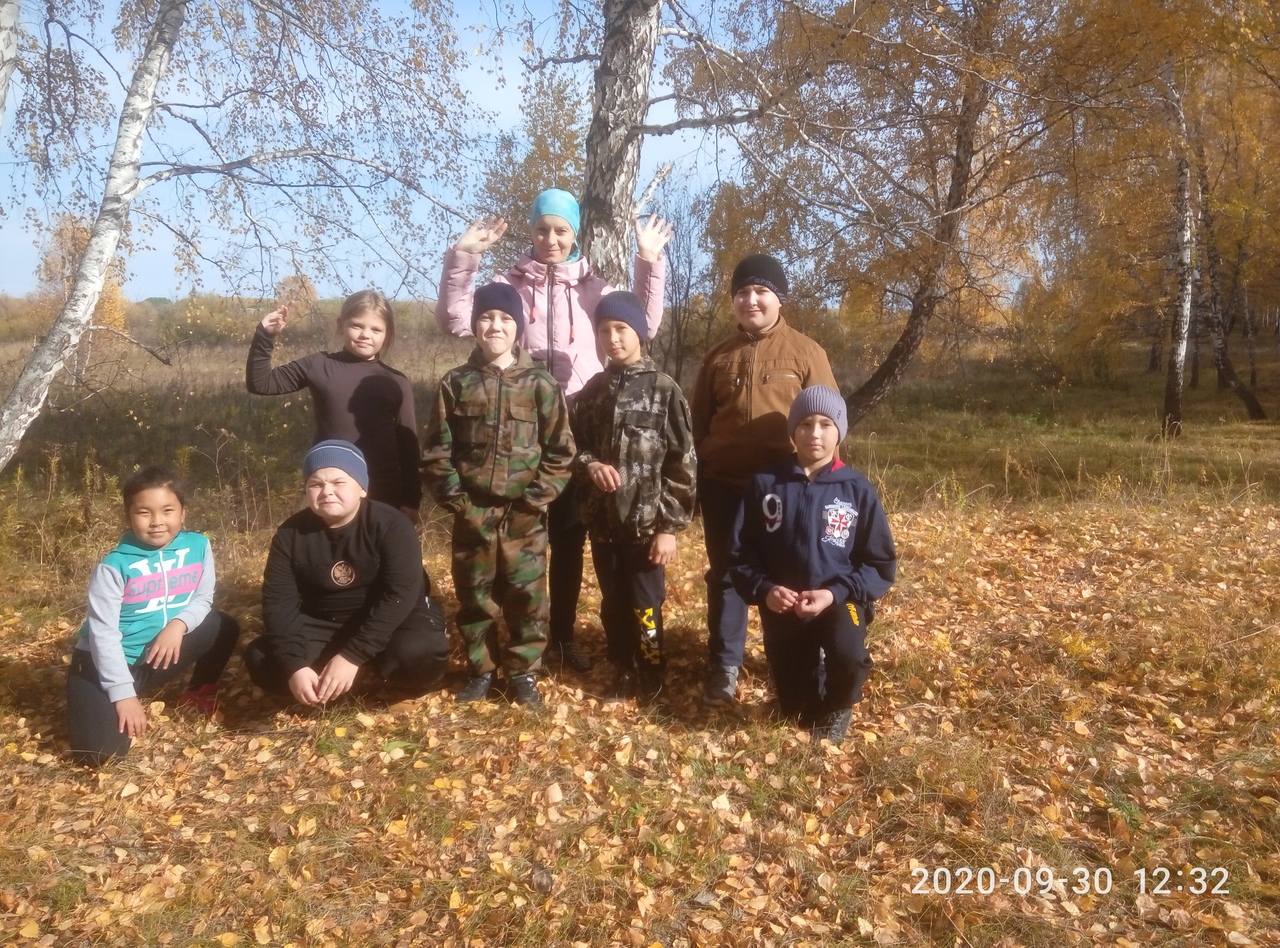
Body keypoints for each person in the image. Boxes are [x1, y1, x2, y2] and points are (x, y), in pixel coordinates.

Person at [435, 189, 673, 672]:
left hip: (576, 428)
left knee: (567, 539)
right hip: (515, 427)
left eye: (561, 230)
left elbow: (643, 324)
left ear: (574, 233)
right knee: (508, 538)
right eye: (542, 229)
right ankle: (514, 641)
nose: (551, 239)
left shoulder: (594, 288)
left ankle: (561, 637)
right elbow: (455, 319)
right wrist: (463, 257)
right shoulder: (508, 284)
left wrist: (648, 261)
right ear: (531, 231)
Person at [690, 253, 840, 704]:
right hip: (725, 486)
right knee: (727, 574)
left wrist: (829, 485)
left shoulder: (807, 353)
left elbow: (830, 423)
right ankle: (724, 664)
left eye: (761, 291)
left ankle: (797, 660)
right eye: (742, 292)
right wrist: (701, 475)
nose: (750, 300)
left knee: (793, 573)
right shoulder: (718, 357)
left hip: (787, 489)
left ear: (779, 298)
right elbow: (698, 424)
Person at [421, 283, 575, 709]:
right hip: (473, 513)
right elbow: (435, 452)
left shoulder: (540, 383)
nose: (495, 326)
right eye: (487, 317)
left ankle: (523, 672)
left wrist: (535, 500)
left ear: (518, 328)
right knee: (475, 597)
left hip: (525, 515)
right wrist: (460, 504)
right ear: (474, 325)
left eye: (506, 319)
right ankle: (482, 671)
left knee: (528, 598)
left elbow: (562, 451)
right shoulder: (456, 383)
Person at [729, 386, 896, 744]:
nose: (814, 433)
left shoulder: (857, 489)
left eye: (825, 424)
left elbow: (880, 563)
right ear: (793, 429)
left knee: (849, 656)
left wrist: (835, 593)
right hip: (784, 605)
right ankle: (808, 678)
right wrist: (765, 589)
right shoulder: (766, 484)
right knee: (797, 711)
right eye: (805, 423)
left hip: (840, 600)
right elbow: (740, 553)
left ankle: (839, 705)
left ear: (840, 431)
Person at [243, 441, 449, 705]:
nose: (327, 491)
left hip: (394, 616)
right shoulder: (290, 534)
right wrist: (295, 666)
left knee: (419, 654)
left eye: (338, 482)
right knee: (263, 659)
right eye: (315, 484)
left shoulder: (392, 525)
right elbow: (279, 604)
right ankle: (343, 680)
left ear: (362, 488)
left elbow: (401, 594)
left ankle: (376, 670)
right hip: (325, 620)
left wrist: (353, 655)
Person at [67, 466, 240, 765]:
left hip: (152, 656)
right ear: (129, 516)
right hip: (100, 663)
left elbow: (203, 598)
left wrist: (177, 625)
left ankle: (198, 692)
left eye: (167, 510)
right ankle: (108, 695)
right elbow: (103, 635)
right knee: (100, 754)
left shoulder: (199, 546)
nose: (157, 521)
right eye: (144, 512)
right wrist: (123, 694)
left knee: (222, 625)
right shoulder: (113, 567)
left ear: (183, 513)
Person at [570, 291, 696, 702]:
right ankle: (623, 669)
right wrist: (590, 465)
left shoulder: (664, 390)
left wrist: (668, 527)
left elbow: (682, 463)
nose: (612, 338)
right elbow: (576, 447)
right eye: (604, 331)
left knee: (646, 605)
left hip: (645, 526)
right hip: (604, 525)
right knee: (613, 603)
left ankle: (652, 671)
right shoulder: (592, 391)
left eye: (621, 328)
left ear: (639, 331)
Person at [246, 289, 422, 520]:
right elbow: (261, 383)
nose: (365, 335)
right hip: (329, 492)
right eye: (357, 325)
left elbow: (409, 447)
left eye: (376, 329)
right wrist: (265, 335)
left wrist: (411, 500)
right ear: (341, 325)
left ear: (387, 334)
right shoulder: (319, 365)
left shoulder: (396, 382)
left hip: (383, 494)